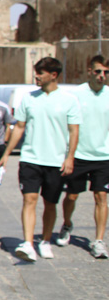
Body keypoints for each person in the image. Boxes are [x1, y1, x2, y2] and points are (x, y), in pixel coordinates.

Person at [0, 58, 80, 261]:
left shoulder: (69, 100)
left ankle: (44, 240)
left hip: (55, 161)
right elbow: (19, 127)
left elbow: (74, 131)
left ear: (53, 75)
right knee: (29, 199)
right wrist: (7, 153)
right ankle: (28, 243)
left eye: (40, 73)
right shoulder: (28, 98)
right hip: (30, 159)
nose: (36, 76)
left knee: (50, 203)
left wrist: (70, 157)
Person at [56, 56, 109, 258]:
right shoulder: (75, 95)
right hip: (79, 155)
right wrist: (67, 154)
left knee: (101, 196)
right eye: (98, 71)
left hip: (104, 156)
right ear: (89, 71)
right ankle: (67, 224)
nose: (102, 76)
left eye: (105, 72)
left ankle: (98, 241)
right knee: (71, 196)